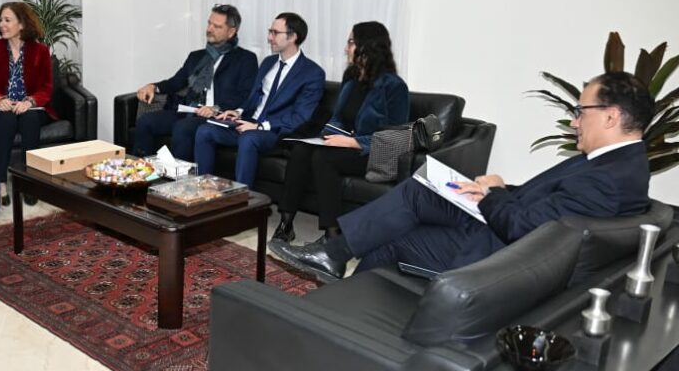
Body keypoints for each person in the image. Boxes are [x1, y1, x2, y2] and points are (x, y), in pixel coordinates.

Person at [271, 72, 653, 282]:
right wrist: (499, 188)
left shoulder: (606, 178)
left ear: (610, 116)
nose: (573, 121)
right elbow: (549, 208)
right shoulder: (616, 164)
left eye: (580, 111)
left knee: (397, 232)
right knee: (419, 191)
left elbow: (524, 228)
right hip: (503, 228)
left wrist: (493, 195)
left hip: (501, 253)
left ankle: (336, 290)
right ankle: (334, 261)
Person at [271, 21, 409, 245]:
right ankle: (286, 223)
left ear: (369, 46)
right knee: (301, 150)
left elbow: (396, 136)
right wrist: (326, 135)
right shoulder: (351, 78)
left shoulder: (394, 86)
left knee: (323, 158)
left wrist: (353, 142)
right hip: (344, 144)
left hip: (371, 152)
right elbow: (338, 117)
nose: (346, 48)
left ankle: (332, 235)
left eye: (351, 42)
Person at [193, 12, 325, 186]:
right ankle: (203, 188)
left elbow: (300, 117)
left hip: (276, 132)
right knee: (205, 130)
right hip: (251, 123)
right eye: (270, 32)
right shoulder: (268, 62)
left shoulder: (312, 73)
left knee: (249, 138)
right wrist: (238, 112)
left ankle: (242, 197)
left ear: (293, 37)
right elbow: (254, 98)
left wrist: (261, 126)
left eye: (275, 33)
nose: (269, 38)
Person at [133, 4, 258, 161]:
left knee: (183, 127)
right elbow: (176, 82)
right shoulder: (196, 57)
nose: (210, 29)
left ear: (231, 32)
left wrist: (215, 108)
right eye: (209, 23)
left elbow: (245, 95)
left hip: (217, 117)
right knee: (146, 121)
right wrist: (153, 86)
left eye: (217, 26)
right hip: (190, 111)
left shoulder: (245, 59)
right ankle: (140, 169)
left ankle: (179, 175)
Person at [0, 1, 57, 206]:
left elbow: (46, 87)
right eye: (0, 20)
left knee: (30, 119)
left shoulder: (40, 51)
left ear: (21, 24)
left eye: (7, 20)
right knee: (7, 120)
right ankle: (1, 182)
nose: (2, 24)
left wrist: (30, 101)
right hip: (1, 107)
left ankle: (29, 182)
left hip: (32, 106)